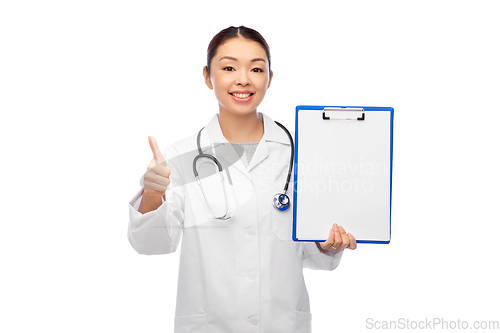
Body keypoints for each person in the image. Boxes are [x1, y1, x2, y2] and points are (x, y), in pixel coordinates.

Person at [128, 26, 357, 333]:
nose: (243, 79)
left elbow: (311, 252)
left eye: (256, 68)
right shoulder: (180, 156)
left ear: (270, 78)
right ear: (208, 77)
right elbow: (151, 244)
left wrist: (326, 244)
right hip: (210, 324)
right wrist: (153, 192)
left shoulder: (299, 153)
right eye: (229, 67)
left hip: (282, 323)